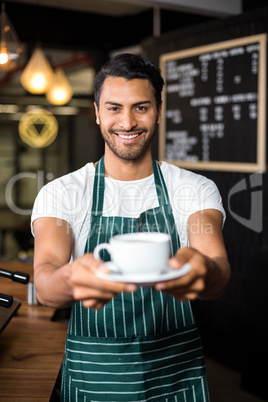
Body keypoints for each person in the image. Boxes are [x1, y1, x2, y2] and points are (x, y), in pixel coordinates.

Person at [31, 53, 230, 401]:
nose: (127, 122)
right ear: (96, 112)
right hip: (93, 379)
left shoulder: (193, 190)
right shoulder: (62, 194)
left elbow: (217, 270)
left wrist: (204, 271)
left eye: (141, 107)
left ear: (158, 110)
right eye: (113, 108)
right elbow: (46, 285)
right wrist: (71, 278)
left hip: (176, 377)